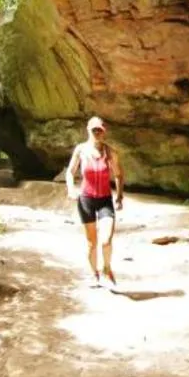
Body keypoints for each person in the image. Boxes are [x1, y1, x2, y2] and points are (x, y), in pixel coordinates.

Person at [65, 116, 124, 288]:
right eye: (94, 130)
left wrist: (119, 197)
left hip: (105, 200)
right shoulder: (81, 150)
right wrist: (71, 189)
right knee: (92, 243)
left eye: (100, 130)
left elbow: (119, 175)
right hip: (86, 200)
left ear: (104, 132)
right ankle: (94, 273)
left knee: (106, 240)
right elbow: (70, 172)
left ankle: (106, 268)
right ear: (88, 131)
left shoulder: (110, 152)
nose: (97, 133)